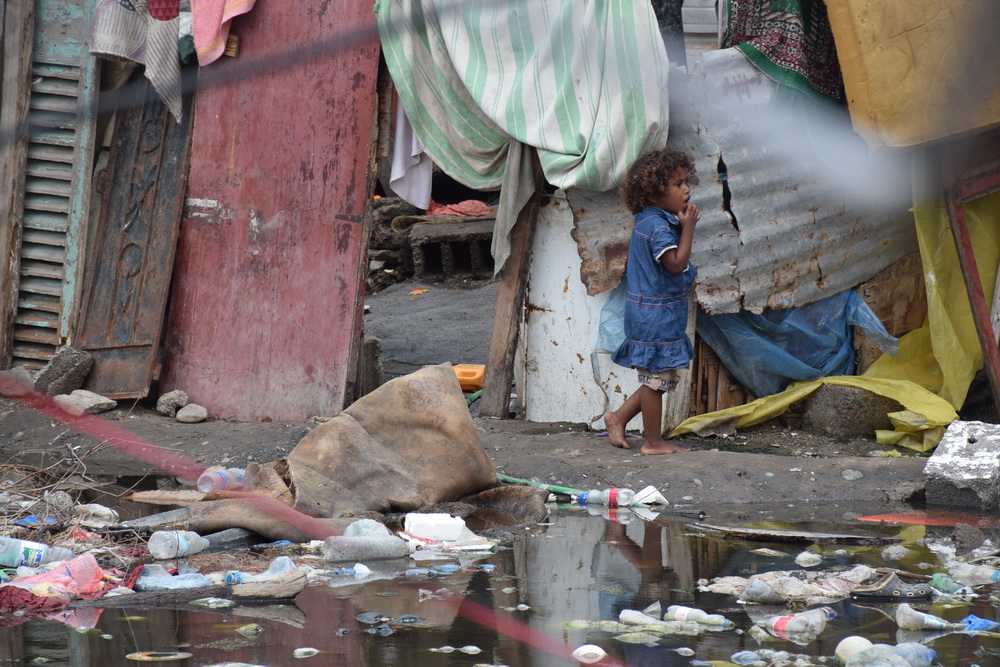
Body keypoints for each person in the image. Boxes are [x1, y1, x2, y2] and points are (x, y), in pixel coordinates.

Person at [603, 147, 699, 455]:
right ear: (655, 192)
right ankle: (652, 442)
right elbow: (675, 263)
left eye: (686, 183)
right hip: (653, 317)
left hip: (658, 314)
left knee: (657, 377)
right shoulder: (657, 226)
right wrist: (689, 229)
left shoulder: (652, 220)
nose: (686, 190)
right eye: (677, 184)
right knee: (655, 380)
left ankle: (618, 418)